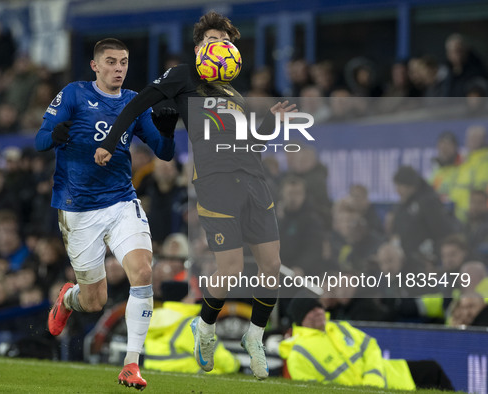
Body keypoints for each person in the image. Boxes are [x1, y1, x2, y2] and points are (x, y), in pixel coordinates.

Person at [94, 12, 295, 380]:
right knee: (231, 270)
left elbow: (251, 141)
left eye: (223, 41)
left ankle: (255, 337)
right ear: (199, 46)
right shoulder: (183, 75)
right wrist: (111, 141)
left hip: (253, 179)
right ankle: (204, 327)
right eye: (209, 40)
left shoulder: (234, 92)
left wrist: (271, 123)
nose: (215, 46)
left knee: (270, 267)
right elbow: (137, 105)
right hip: (215, 182)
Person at [35, 38, 178, 390]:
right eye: (111, 62)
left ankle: (132, 364)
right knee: (94, 300)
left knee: (143, 270)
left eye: (124, 62)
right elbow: (39, 140)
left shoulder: (133, 102)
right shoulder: (73, 94)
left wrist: (168, 127)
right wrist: (55, 134)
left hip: (120, 201)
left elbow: (164, 152)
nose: (118, 68)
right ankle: (68, 298)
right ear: (95, 66)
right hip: (78, 209)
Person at [279, 297, 454, 391]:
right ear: (300, 318)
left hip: (387, 376)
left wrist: (373, 378)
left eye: (318, 307)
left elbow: (370, 345)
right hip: (364, 389)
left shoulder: (340, 327)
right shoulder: (298, 354)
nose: (318, 312)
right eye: (310, 310)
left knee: (432, 369)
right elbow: (312, 390)